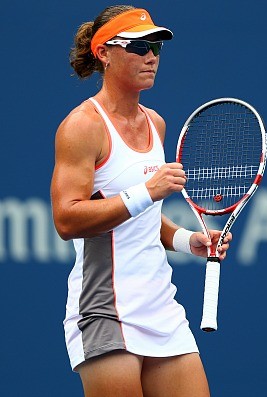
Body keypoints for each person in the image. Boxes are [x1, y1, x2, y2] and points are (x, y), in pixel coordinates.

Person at [51, 5, 232, 397]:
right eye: (138, 46)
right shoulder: (83, 126)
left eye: (157, 47)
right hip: (103, 309)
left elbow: (144, 217)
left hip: (160, 306)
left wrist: (187, 240)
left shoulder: (156, 122)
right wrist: (147, 191)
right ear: (104, 53)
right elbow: (66, 220)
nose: (151, 56)